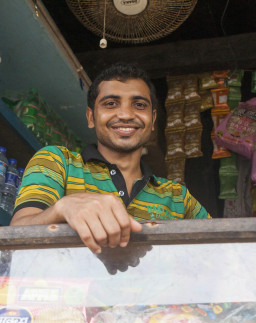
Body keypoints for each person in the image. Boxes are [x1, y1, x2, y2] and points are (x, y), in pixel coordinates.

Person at [11, 62, 210, 253]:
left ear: (153, 121)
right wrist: (63, 208)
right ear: (91, 117)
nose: (125, 114)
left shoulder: (177, 197)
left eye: (139, 105)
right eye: (111, 104)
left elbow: (219, 248)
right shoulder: (57, 162)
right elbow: (16, 232)